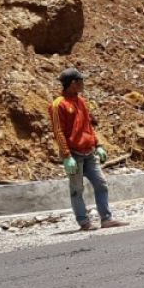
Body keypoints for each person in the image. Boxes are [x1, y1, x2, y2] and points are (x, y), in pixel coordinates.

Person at [49, 67, 126, 231]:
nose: (84, 84)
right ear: (73, 83)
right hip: (74, 155)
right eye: (81, 81)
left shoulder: (81, 101)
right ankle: (84, 222)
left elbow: (87, 126)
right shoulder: (58, 105)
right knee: (77, 189)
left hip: (89, 152)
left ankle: (106, 218)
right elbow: (58, 132)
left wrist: (98, 145)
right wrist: (67, 155)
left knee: (101, 184)